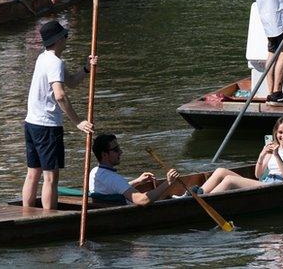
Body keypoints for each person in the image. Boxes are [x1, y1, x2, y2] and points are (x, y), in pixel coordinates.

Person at [22, 21, 95, 210]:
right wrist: (78, 121)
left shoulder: (44, 58)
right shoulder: (55, 62)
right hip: (47, 126)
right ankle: (48, 219)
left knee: (33, 174)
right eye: (65, 36)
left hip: (31, 123)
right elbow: (60, 94)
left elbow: (70, 82)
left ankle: (27, 213)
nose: (67, 39)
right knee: (50, 177)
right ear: (58, 39)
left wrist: (86, 69)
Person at [196, 117, 283, 194]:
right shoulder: (273, 147)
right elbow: (258, 175)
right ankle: (199, 193)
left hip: (278, 186)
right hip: (265, 182)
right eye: (280, 132)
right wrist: (262, 155)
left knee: (230, 179)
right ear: (275, 133)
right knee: (220, 171)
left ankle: (206, 200)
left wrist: (276, 156)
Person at [88, 134, 178, 206]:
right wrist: (168, 182)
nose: (120, 152)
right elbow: (142, 200)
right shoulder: (113, 178)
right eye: (116, 150)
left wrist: (137, 181)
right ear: (104, 155)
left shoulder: (95, 172)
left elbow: (113, 189)